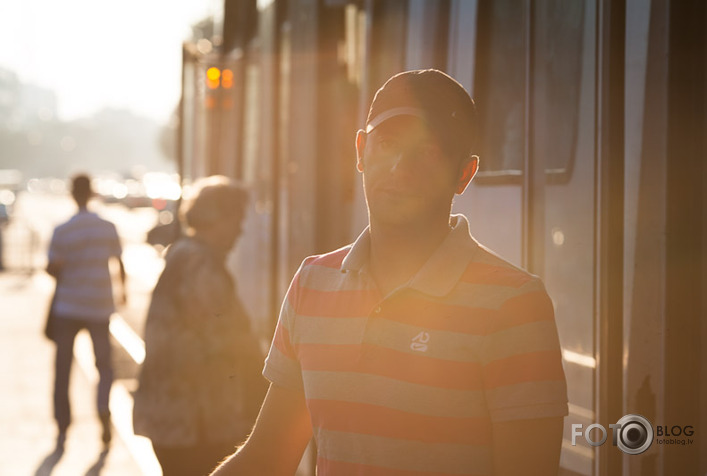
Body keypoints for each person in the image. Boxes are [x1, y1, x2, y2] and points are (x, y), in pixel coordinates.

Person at [212, 69, 568, 476]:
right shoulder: (312, 283)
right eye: (388, 143)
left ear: (464, 175)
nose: (400, 167)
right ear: (361, 150)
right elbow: (267, 459)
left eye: (428, 152)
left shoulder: (515, 304)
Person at [133, 176, 266, 476]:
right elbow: (224, 343)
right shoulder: (201, 266)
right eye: (237, 219)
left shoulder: (183, 254)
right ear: (216, 218)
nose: (241, 230)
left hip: (172, 420)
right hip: (194, 425)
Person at [46, 173, 126, 447]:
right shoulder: (107, 226)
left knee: (63, 367)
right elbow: (119, 261)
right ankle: (104, 414)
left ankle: (62, 423)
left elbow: (52, 269)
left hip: (68, 306)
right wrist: (123, 292)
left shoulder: (63, 230)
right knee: (104, 365)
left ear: (72, 194)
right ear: (91, 193)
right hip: (100, 305)